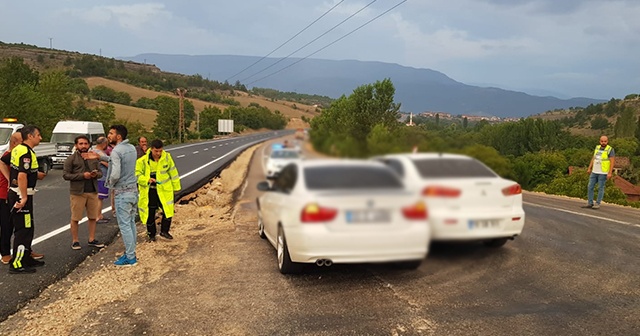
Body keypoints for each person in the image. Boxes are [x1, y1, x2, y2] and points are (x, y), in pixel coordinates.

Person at [83, 125, 138, 267]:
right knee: (131, 223)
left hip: (122, 192)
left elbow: (115, 172)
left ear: (118, 136)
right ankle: (131, 252)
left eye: (111, 133)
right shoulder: (131, 148)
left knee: (124, 225)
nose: (109, 135)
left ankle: (130, 257)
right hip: (133, 190)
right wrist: (100, 157)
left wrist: (110, 183)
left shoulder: (116, 151)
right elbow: (117, 160)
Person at [5, 126, 46, 273]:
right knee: (23, 230)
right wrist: (23, 197)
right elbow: (22, 175)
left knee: (29, 227)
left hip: (20, 193)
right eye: (38, 135)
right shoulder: (25, 152)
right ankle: (16, 264)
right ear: (30, 136)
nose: (40, 138)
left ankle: (26, 258)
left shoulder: (19, 149)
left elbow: (5, 161)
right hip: (21, 195)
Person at [63, 135, 106, 250]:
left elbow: (101, 173)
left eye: (85, 143)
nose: (83, 146)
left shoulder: (94, 158)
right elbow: (66, 175)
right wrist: (83, 175)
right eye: (81, 144)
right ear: (76, 145)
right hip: (78, 192)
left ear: (89, 145)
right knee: (76, 217)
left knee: (93, 217)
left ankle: (92, 239)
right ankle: (75, 240)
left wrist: (95, 174)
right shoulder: (71, 159)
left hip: (92, 191)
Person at [136, 139, 181, 241]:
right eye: (156, 151)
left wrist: (176, 187)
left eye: (160, 151)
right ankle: (151, 235)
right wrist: (147, 180)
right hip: (150, 191)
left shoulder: (167, 158)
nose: (158, 153)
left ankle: (164, 231)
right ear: (151, 149)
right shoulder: (142, 161)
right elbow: (137, 175)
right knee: (150, 213)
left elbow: (173, 173)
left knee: (167, 210)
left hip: (164, 190)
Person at [583, 135, 615, 209]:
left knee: (600, 188)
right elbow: (594, 158)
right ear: (599, 141)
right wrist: (589, 168)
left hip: (603, 172)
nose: (603, 143)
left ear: (607, 141)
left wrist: (610, 172)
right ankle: (590, 203)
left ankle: (597, 203)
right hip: (594, 171)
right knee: (590, 186)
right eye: (602, 141)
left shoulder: (610, 149)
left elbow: (612, 161)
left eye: (605, 141)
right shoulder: (597, 147)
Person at [91, 136, 110, 223]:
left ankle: (99, 214)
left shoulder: (91, 150)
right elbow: (108, 164)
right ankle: (97, 216)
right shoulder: (101, 154)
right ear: (104, 144)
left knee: (97, 197)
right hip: (102, 177)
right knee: (100, 198)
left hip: (95, 177)